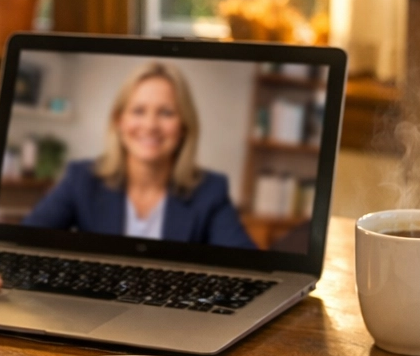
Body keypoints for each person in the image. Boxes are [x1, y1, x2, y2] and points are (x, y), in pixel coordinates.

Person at [21, 62, 255, 248]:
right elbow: (23, 242)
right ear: (119, 120)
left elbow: (248, 267)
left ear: (184, 125)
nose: (150, 125)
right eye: (138, 111)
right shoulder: (81, 179)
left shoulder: (210, 191)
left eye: (166, 112)